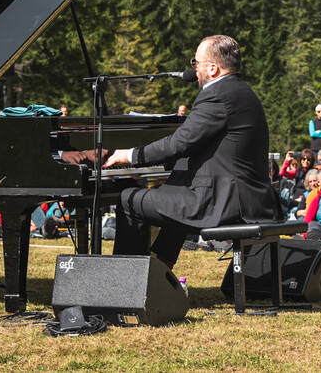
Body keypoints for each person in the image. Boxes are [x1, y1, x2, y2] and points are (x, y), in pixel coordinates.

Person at [87, 35, 280, 269]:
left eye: (196, 63)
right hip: (248, 200)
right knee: (173, 194)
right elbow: (195, 149)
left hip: (224, 204)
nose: (194, 69)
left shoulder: (217, 95)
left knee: (130, 199)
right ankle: (162, 268)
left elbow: (180, 142)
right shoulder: (241, 91)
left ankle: (129, 283)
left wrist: (129, 156)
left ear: (213, 68)